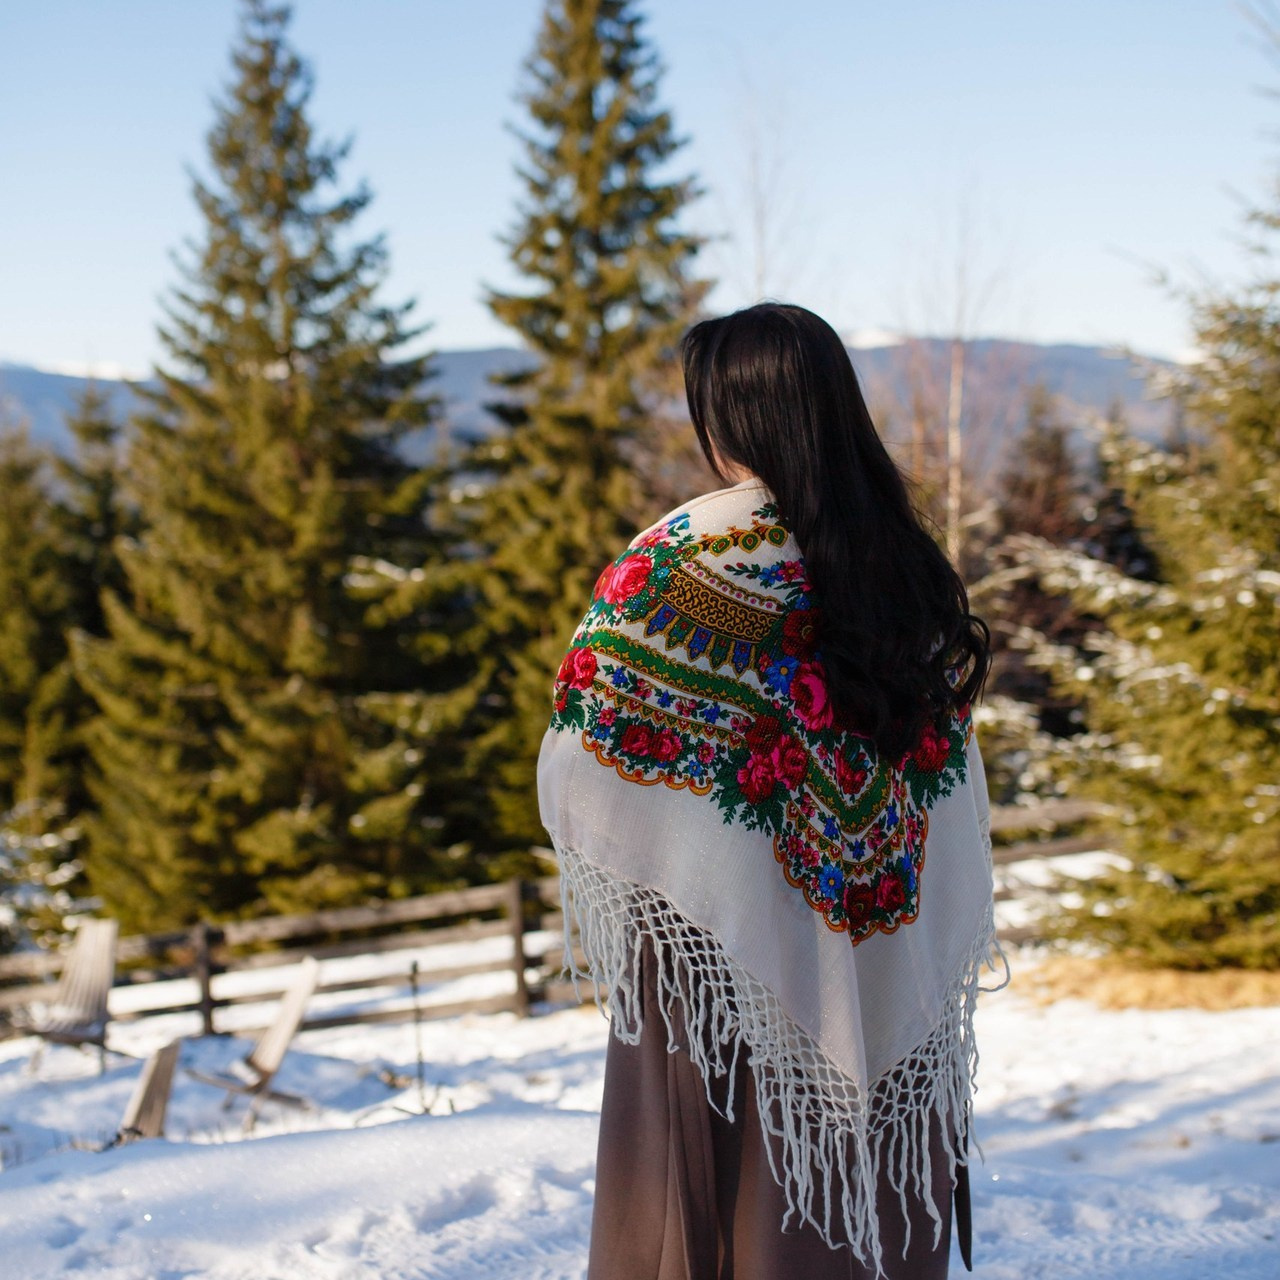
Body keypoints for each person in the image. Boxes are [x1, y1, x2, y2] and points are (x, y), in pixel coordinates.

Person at [537, 302, 1005, 1280]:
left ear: (731, 418)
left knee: (712, 1202)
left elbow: (587, 746)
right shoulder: (902, 566)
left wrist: (687, 846)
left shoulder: (678, 559)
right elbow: (941, 787)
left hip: (716, 946)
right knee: (864, 1174)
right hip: (883, 942)